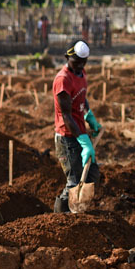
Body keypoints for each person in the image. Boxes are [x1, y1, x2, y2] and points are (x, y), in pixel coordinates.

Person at [52, 41, 101, 213]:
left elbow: (81, 97)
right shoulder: (63, 80)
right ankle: (61, 218)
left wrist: (89, 115)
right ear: (67, 58)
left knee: (91, 174)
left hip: (79, 132)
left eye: (83, 62)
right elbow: (66, 115)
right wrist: (83, 140)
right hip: (67, 137)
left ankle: (79, 212)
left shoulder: (80, 73)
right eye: (76, 62)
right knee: (74, 181)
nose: (80, 65)